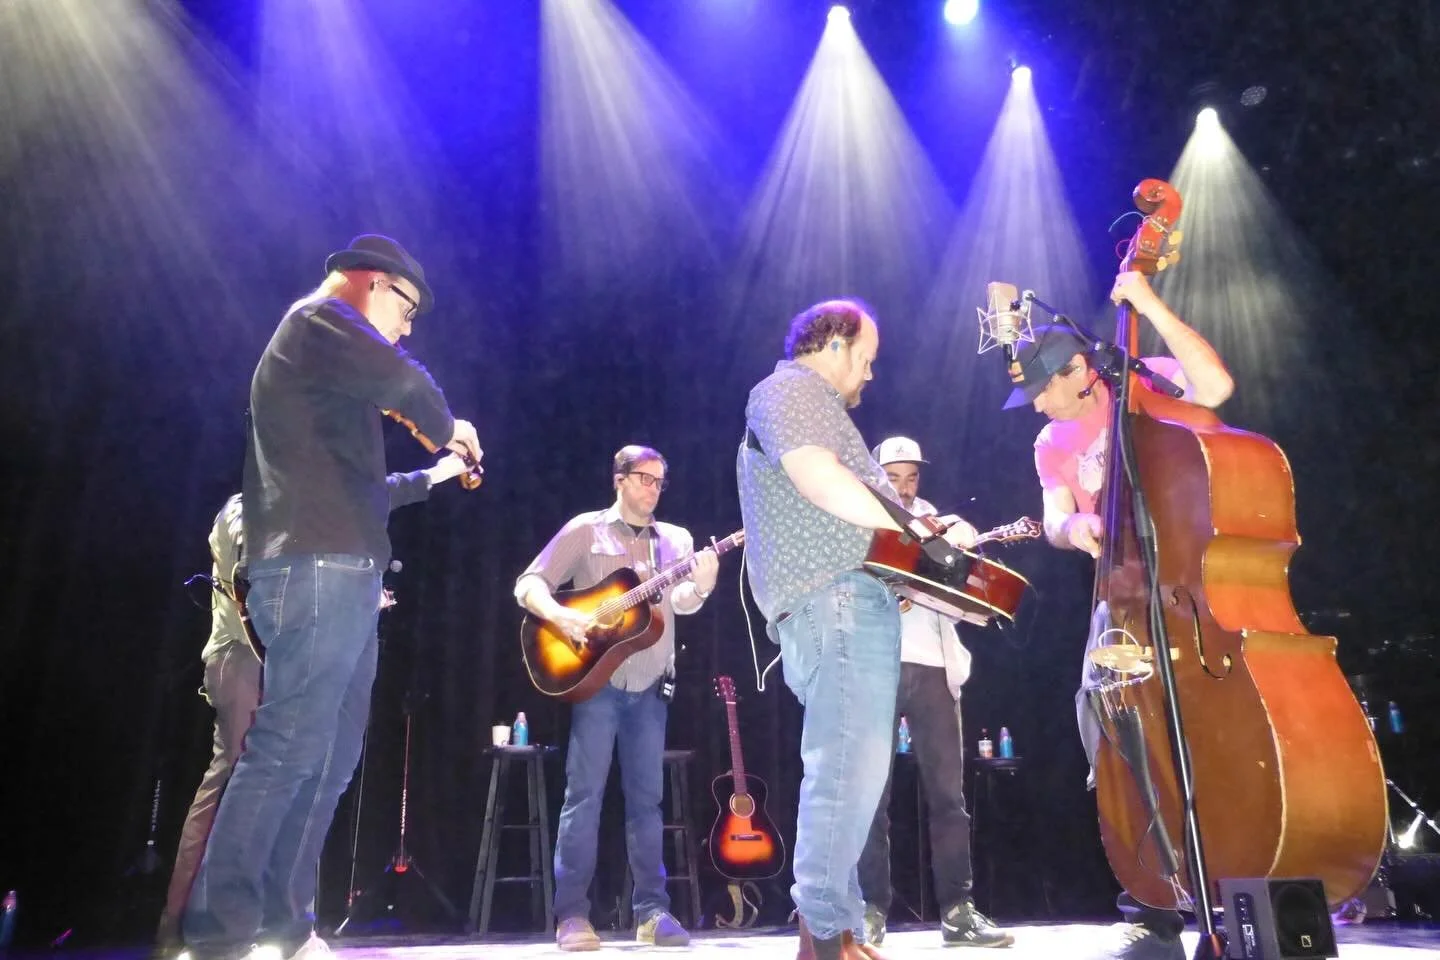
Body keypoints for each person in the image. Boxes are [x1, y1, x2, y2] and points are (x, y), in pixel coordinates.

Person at [181, 235, 482, 960]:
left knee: (331, 758)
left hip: (344, 567)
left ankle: (285, 928)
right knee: (286, 749)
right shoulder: (319, 321)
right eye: (408, 309)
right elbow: (408, 385)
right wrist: (453, 431)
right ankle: (218, 937)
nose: (407, 327)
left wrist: (438, 474)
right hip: (315, 568)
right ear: (374, 284)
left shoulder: (326, 375)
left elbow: (364, 488)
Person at [737, 300, 977, 960]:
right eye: (866, 359)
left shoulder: (821, 410)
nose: (870, 375)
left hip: (850, 603)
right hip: (834, 605)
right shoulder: (789, 389)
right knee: (848, 770)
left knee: (856, 775)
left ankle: (835, 924)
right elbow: (817, 478)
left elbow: (865, 525)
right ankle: (821, 933)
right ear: (835, 345)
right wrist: (915, 533)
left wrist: (937, 567)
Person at [1004, 271, 1233, 960]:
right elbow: (1052, 519)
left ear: (1080, 370)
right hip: (1122, 598)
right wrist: (1073, 529)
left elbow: (1216, 390)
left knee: (1211, 725)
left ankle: (1241, 879)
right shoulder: (1049, 445)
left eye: (1044, 388)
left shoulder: (1141, 384)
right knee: (1101, 719)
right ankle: (1154, 902)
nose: (1038, 404)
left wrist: (1148, 302)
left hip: (1194, 585)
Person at [159, 451, 470, 950]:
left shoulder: (321, 503)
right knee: (241, 780)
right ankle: (183, 931)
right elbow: (253, 573)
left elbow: (378, 493)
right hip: (243, 659)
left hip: (290, 657)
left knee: (317, 773)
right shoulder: (247, 507)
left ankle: (281, 923)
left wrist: (439, 473)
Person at [514, 445, 719, 952]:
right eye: (644, 479)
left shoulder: (676, 540)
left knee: (647, 802)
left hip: (651, 687)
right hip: (598, 685)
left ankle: (653, 912)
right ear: (620, 479)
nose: (652, 489)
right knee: (583, 798)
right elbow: (529, 584)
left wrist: (705, 584)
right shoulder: (587, 530)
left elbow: (682, 604)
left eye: (659, 482)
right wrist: (563, 617)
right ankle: (572, 917)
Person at [855, 437, 1013, 949]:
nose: (903, 487)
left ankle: (957, 909)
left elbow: (970, 602)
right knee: (870, 799)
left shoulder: (944, 527)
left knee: (949, 797)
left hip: (934, 671)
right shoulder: (861, 520)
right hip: (874, 668)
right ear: (877, 476)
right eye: (893, 477)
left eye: (911, 477)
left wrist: (962, 553)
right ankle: (871, 908)